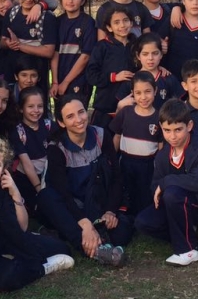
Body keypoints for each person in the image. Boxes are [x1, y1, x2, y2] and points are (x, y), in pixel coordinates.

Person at [0, 135, 73, 291]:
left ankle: (20, 259)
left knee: (61, 248)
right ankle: (43, 268)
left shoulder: (1, 187)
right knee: (8, 278)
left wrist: (15, 193)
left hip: (7, 242)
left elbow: (22, 227)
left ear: (4, 169)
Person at [134, 99, 198, 266]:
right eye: (167, 130)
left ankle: (189, 248)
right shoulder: (163, 155)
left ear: (189, 126)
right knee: (143, 222)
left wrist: (167, 182)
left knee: (173, 193)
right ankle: (188, 232)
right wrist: (161, 187)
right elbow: (155, 185)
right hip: (177, 206)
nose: (172, 136)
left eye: (178, 130)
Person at [38, 94, 132, 265]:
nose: (79, 119)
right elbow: (63, 193)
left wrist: (110, 211)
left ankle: (69, 233)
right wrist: (85, 224)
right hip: (71, 206)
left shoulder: (102, 135)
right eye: (70, 116)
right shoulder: (56, 148)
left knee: (122, 231)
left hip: (97, 201)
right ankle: (94, 249)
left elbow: (116, 177)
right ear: (61, 122)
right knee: (46, 197)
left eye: (81, 112)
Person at [110, 71, 162, 216]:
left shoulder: (159, 117)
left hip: (148, 165)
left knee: (144, 195)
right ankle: (125, 218)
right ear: (132, 93)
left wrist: (159, 166)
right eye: (138, 93)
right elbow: (117, 137)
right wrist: (112, 159)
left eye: (147, 92)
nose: (143, 97)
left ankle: (143, 218)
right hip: (126, 162)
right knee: (126, 193)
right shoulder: (126, 112)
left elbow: (161, 145)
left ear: (155, 91)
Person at [2, 0, 57, 89]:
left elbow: (48, 51)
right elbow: (2, 41)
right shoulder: (11, 13)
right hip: (13, 72)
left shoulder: (47, 17)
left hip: (37, 75)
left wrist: (20, 46)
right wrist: (8, 43)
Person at [86, 5, 136, 130]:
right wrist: (114, 77)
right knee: (102, 138)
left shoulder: (137, 46)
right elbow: (91, 75)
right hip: (105, 106)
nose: (122, 25)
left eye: (125, 20)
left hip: (131, 105)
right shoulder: (102, 46)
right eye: (116, 22)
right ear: (109, 27)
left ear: (131, 23)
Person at [50, 0, 96, 101]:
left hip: (79, 79)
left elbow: (85, 57)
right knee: (60, 111)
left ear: (83, 1)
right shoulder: (57, 22)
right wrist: (55, 82)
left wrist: (66, 82)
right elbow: (54, 53)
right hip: (59, 78)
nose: (70, 1)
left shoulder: (88, 23)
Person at [8, 86, 52, 203]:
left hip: (47, 174)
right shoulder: (18, 132)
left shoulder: (48, 125)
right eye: (31, 106)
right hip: (26, 178)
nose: (36, 110)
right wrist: (39, 189)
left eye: (40, 106)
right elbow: (26, 164)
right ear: (21, 109)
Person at [127, 33, 177, 111]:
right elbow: (121, 108)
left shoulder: (168, 78)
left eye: (155, 53)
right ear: (138, 55)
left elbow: (179, 106)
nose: (150, 58)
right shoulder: (131, 79)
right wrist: (120, 105)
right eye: (145, 54)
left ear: (161, 54)